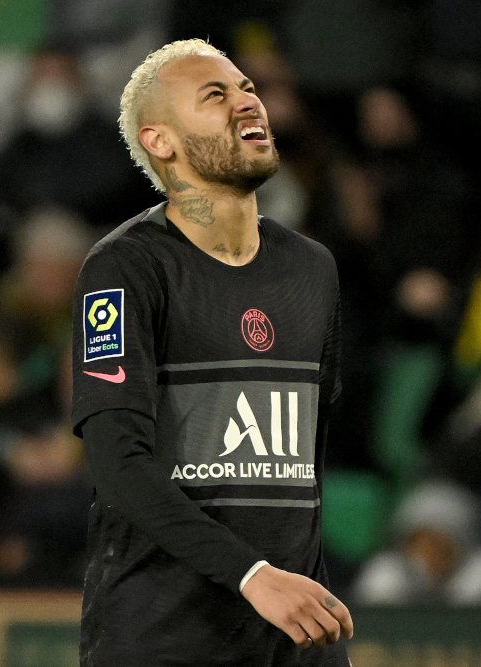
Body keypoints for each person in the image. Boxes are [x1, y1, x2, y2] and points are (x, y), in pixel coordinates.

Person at [70, 39, 353, 666]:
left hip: (290, 637)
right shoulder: (123, 269)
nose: (247, 100)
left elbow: (303, 472)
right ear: (161, 141)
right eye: (215, 94)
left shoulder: (313, 270)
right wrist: (253, 575)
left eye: (247, 87)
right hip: (164, 640)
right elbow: (119, 466)